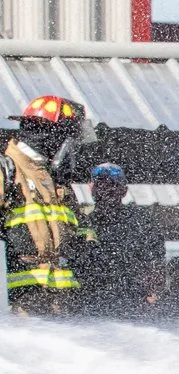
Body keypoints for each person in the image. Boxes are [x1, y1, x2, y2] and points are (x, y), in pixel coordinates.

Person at [3, 95, 85, 315]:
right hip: (22, 308)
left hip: (61, 309)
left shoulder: (56, 184)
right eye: (68, 137)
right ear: (48, 135)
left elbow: (78, 238)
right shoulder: (8, 171)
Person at [74, 164, 164, 317]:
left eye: (112, 185)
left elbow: (157, 263)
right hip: (90, 305)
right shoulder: (81, 223)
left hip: (133, 304)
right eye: (101, 185)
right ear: (91, 188)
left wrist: (153, 295)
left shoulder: (142, 221)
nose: (106, 191)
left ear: (124, 190)